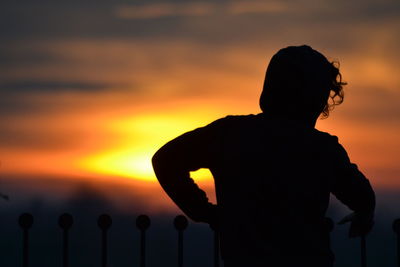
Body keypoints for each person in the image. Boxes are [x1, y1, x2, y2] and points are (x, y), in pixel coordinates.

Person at [152, 45, 375, 267]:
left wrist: (206, 213)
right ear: (316, 100)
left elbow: (165, 160)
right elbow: (363, 198)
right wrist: (364, 215)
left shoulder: (229, 135)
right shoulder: (322, 149)